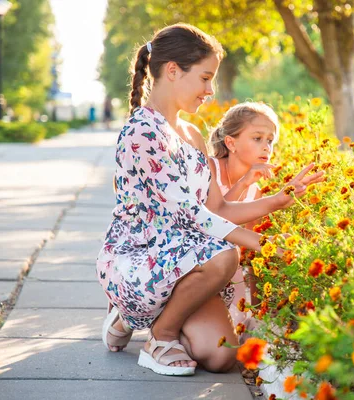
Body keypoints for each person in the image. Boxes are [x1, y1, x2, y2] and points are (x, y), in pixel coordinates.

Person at [96, 23, 325, 377]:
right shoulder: (141, 131)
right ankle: (160, 334)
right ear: (173, 71)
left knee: (219, 357)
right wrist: (260, 243)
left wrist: (279, 200)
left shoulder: (190, 132)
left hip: (181, 260)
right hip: (141, 259)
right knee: (224, 255)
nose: (210, 89)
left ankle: (147, 313)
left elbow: (216, 209)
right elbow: (192, 215)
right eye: (205, 78)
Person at [208, 102, 279, 327]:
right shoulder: (210, 169)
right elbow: (215, 217)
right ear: (231, 143)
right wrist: (244, 181)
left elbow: (251, 247)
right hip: (202, 262)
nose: (266, 147)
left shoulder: (256, 187)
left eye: (270, 140)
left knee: (241, 325)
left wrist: (257, 308)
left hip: (232, 266)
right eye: (257, 138)